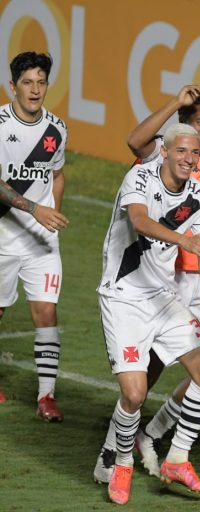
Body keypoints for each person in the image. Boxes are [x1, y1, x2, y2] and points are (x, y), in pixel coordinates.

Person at [93, 85, 200, 483]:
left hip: (170, 288)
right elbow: (140, 219)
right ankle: (117, 455)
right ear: (170, 145)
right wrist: (175, 102)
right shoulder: (144, 170)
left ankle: (175, 456)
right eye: (198, 126)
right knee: (137, 388)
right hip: (125, 293)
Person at [0, 52, 68, 420]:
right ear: (13, 86)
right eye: (27, 82)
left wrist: (50, 212)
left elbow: (57, 173)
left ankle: (46, 397)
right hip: (3, 237)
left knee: (46, 312)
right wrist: (34, 209)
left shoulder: (57, 128)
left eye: (41, 82)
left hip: (41, 241)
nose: (35, 89)